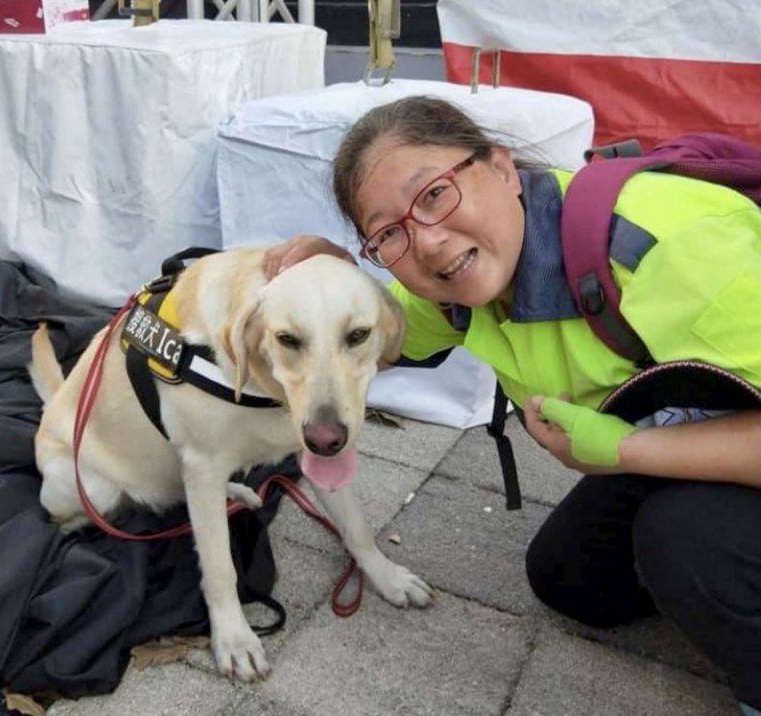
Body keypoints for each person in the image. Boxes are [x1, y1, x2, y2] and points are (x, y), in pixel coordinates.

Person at [262, 96, 761, 715]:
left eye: (435, 194)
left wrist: (628, 449)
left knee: (684, 540)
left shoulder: (667, 248)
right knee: (570, 580)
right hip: (706, 430)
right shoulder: (454, 291)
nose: (430, 244)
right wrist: (329, 286)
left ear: (500, 168)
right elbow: (379, 337)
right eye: (388, 234)